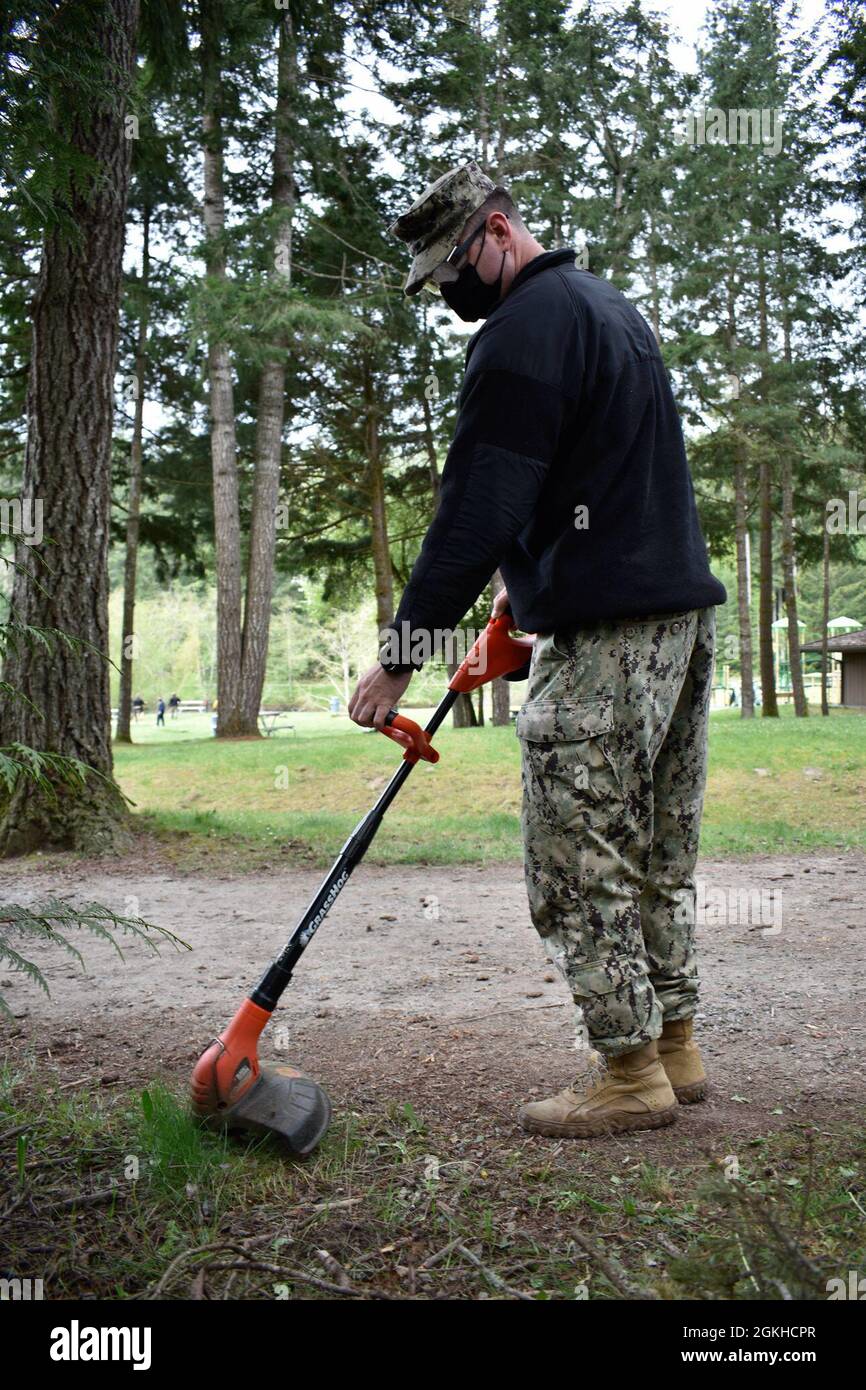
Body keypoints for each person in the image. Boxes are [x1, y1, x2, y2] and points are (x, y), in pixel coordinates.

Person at [348, 160, 727, 1139]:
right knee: (650, 845)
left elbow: (478, 509)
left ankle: (625, 1069)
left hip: (606, 640)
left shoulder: (519, 331)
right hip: (678, 625)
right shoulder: (607, 310)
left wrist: (401, 653)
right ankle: (673, 1044)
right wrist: (521, 602)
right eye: (433, 280)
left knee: (573, 851)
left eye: (448, 268)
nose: (446, 293)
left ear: (498, 231)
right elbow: (592, 481)